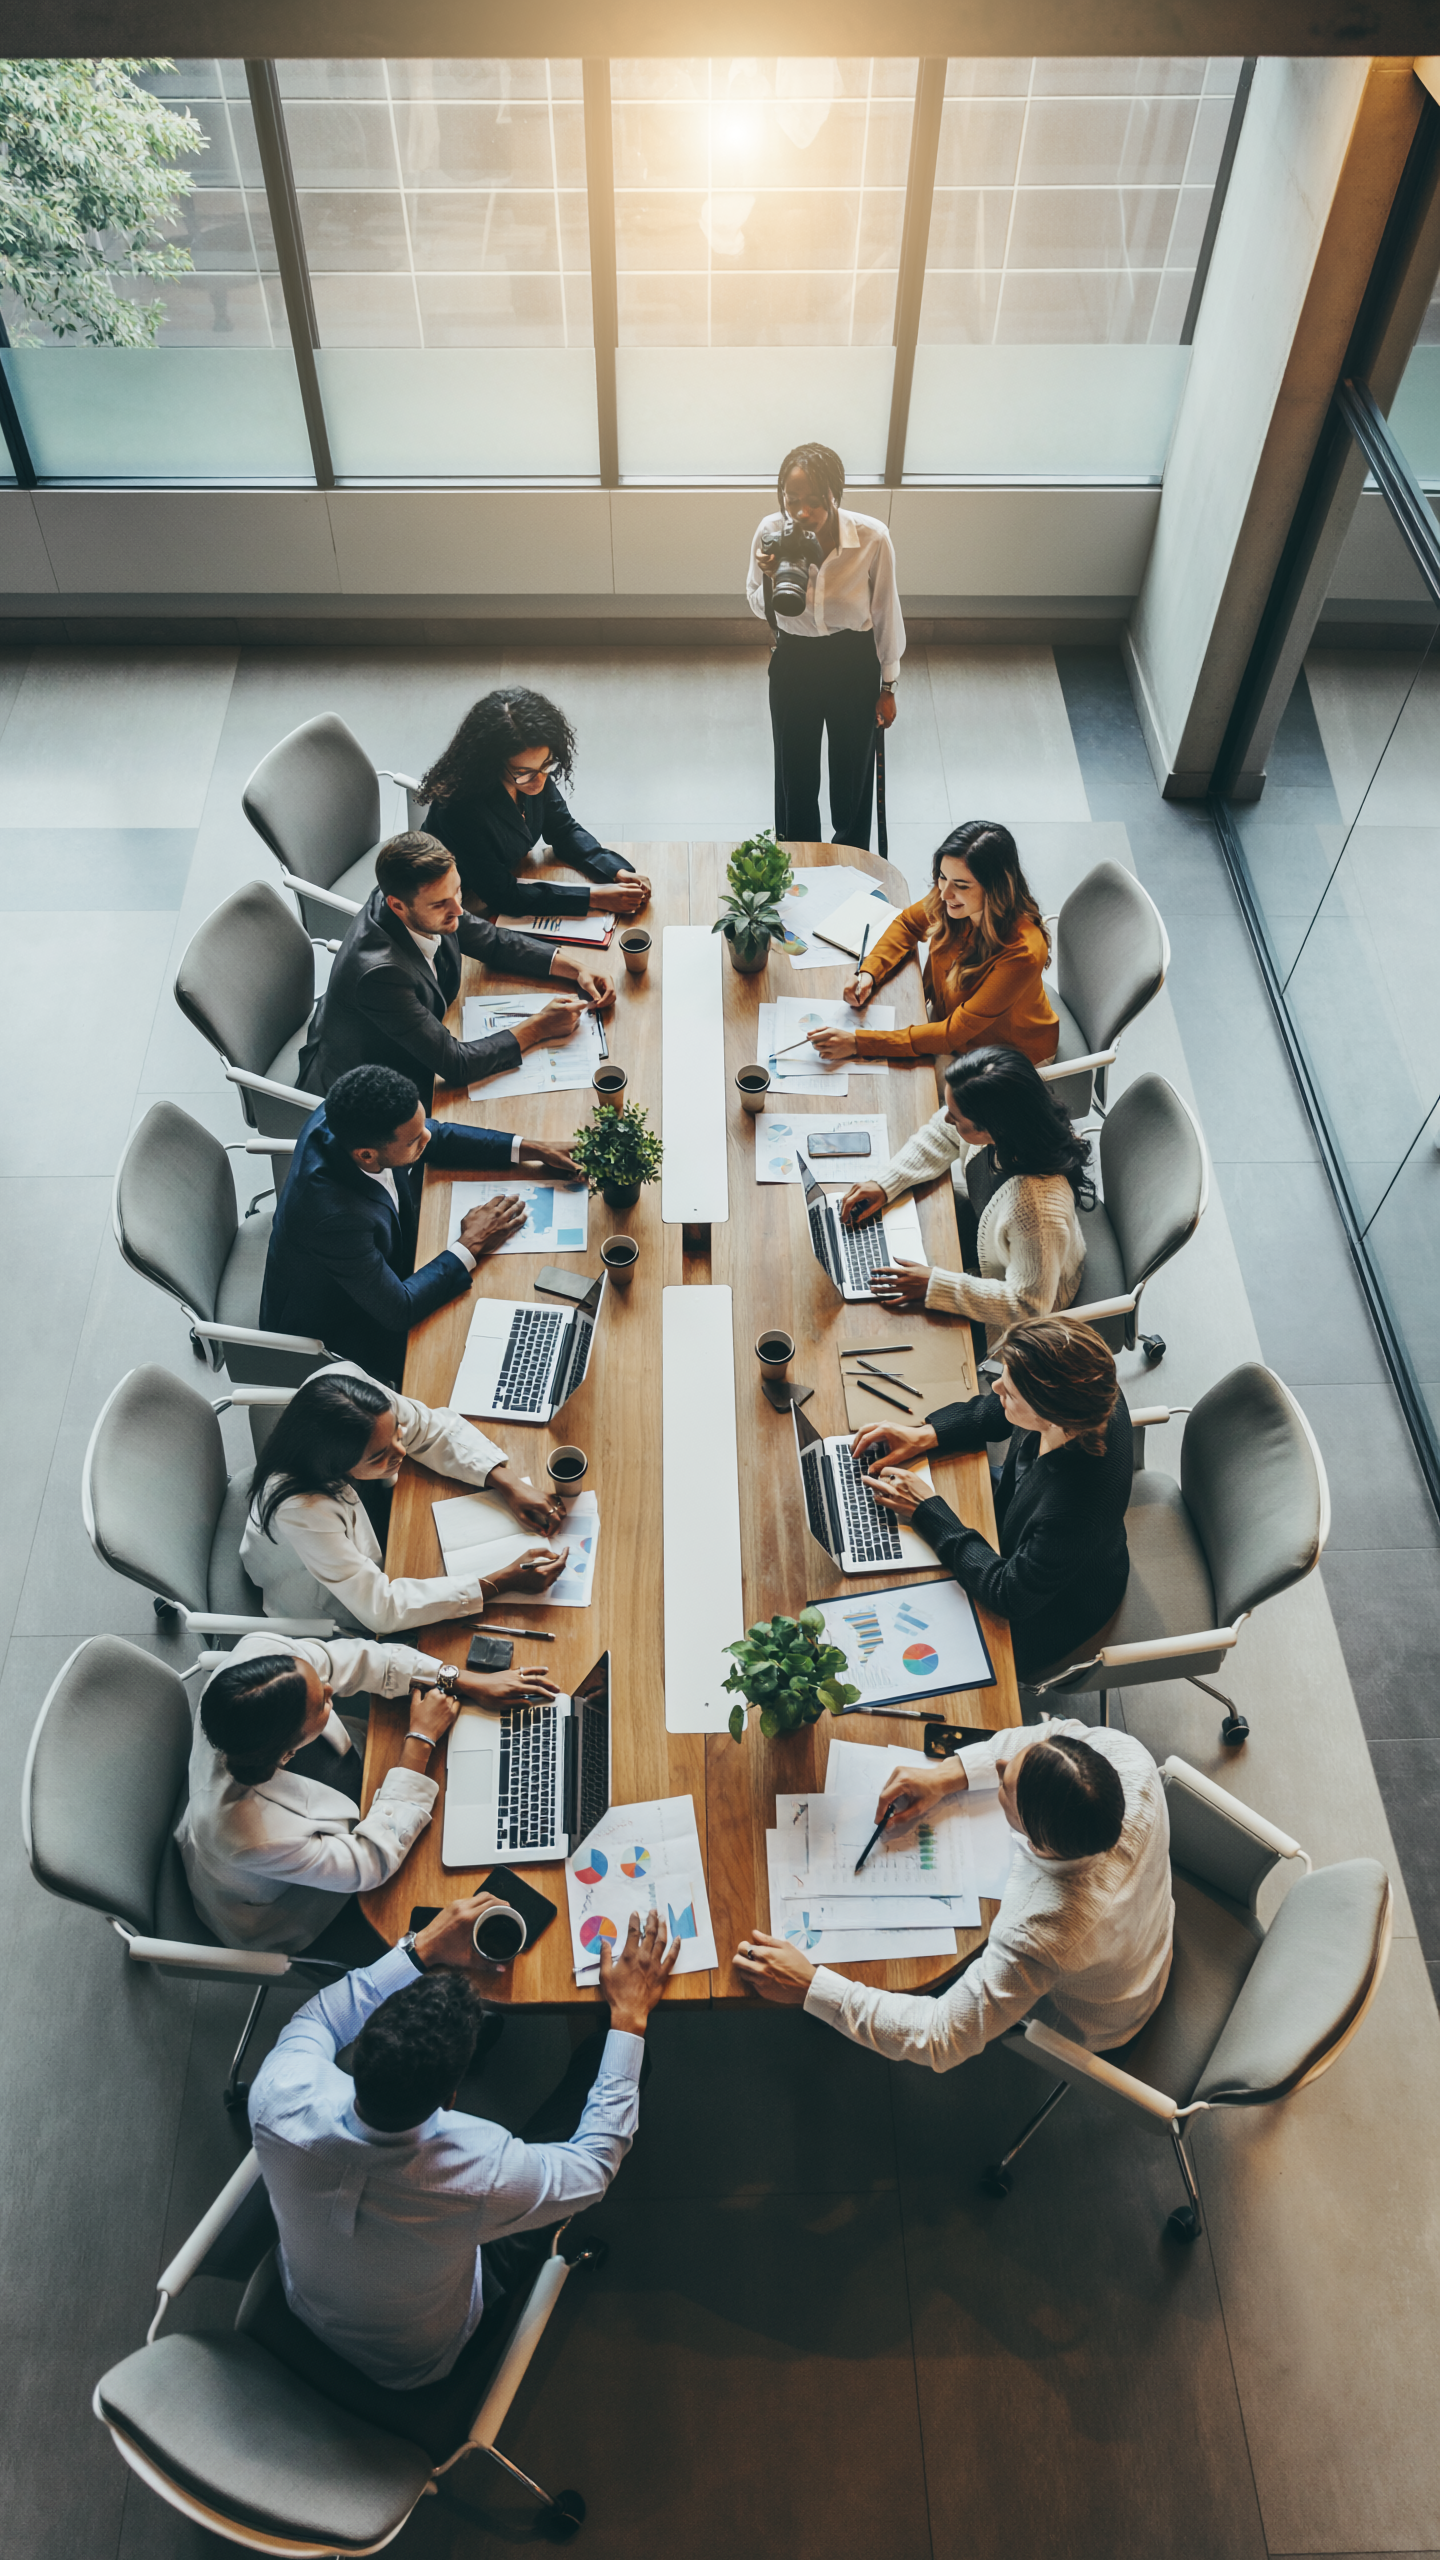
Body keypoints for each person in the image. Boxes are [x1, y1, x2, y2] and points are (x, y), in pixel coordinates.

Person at [248, 1895, 679, 2390]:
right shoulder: (480, 2172)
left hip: (306, 2304)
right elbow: (594, 2167)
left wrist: (422, 1947)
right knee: (608, 2072)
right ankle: (600, 2037)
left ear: (360, 2048)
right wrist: (629, 2017)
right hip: (419, 2364)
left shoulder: (280, 2091)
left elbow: (320, 2018)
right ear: (452, 2097)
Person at [734, 1718, 1173, 2073]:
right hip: (1149, 1935)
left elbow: (941, 2038)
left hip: (1102, 2018)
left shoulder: (1043, 1932)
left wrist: (811, 1985)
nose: (998, 1766)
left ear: (1034, 1838)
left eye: (1005, 1788)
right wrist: (949, 1774)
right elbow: (1045, 1734)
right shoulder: (1129, 1759)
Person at [179, 1631, 560, 1954]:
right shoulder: (251, 1835)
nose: (332, 1688)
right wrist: (420, 1742)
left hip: (349, 1781)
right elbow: (369, 1863)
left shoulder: (258, 1664)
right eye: (325, 1702)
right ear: (289, 1751)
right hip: (290, 1904)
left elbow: (362, 1659)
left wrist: (460, 1680)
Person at [260, 1063, 581, 1387]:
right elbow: (398, 1309)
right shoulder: (333, 1218)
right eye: (415, 1140)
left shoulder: (350, 1114)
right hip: (343, 1326)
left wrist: (532, 1148)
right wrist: (472, 1242)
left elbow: (434, 1135)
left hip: (377, 1267)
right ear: (367, 1155)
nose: (427, 1135)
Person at [855, 1316, 1132, 1683]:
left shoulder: (1076, 1508)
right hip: (1024, 1524)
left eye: (1011, 1391)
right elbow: (1000, 1413)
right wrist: (926, 1434)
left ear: (1050, 1415)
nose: (996, 1386)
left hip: (1052, 1607)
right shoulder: (1088, 1387)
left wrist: (927, 1510)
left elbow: (1009, 1594)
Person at [242, 1362, 569, 1634]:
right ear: (338, 1465)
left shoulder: (348, 1391)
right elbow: (381, 1609)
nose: (401, 1450)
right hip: (317, 1592)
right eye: (380, 1455)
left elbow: (429, 1429)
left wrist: (508, 1483)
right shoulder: (303, 1511)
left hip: (366, 1528)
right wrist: (500, 1581)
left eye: (397, 1432)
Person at [298, 831, 614, 1100]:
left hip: (415, 1035)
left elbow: (491, 940)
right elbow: (455, 1065)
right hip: (369, 1087)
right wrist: (540, 1026)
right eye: (441, 904)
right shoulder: (380, 974)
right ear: (396, 905)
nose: (459, 910)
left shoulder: (417, 900)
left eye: (457, 890)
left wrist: (575, 968)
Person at [839, 1045, 1092, 1345]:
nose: (946, 1119)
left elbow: (1028, 1305)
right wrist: (886, 1182)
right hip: (992, 1244)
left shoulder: (1035, 1210)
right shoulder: (1018, 1125)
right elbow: (941, 1133)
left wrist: (935, 1285)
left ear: (989, 1130)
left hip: (1025, 1298)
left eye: (956, 1118)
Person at [746, 440, 903, 852]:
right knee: (793, 778)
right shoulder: (769, 533)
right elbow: (761, 607)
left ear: (835, 495)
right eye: (791, 500)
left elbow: (887, 612)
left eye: (814, 502)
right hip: (794, 660)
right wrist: (770, 573)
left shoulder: (872, 539)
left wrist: (888, 686)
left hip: (852, 662)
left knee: (852, 780)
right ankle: (798, 868)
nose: (801, 512)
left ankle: (852, 865)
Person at [807, 820, 1057, 1069]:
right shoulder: (954, 899)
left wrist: (858, 1043)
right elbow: (908, 924)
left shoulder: (1023, 952)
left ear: (996, 888)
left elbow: (952, 1034)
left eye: (961, 885)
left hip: (1003, 1057)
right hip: (947, 1022)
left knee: (904, 1092)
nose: (945, 893)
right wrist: (869, 972)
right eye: (942, 877)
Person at [419, 688, 650, 921]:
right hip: (452, 900)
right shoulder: (459, 809)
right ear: (490, 764)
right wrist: (595, 897)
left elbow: (562, 829)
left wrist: (614, 870)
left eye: (547, 765)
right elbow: (502, 895)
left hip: (506, 878)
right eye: (524, 772)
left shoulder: (534, 774)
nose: (540, 780)